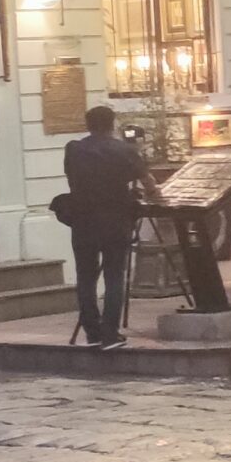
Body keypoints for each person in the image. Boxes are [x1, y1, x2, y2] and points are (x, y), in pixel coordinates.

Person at [62, 105, 157, 350]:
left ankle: (92, 332)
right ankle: (110, 334)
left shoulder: (73, 150)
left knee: (85, 277)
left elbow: (73, 179)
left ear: (88, 124)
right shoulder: (124, 150)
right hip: (114, 221)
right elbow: (148, 183)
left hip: (82, 221)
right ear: (112, 124)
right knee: (114, 276)